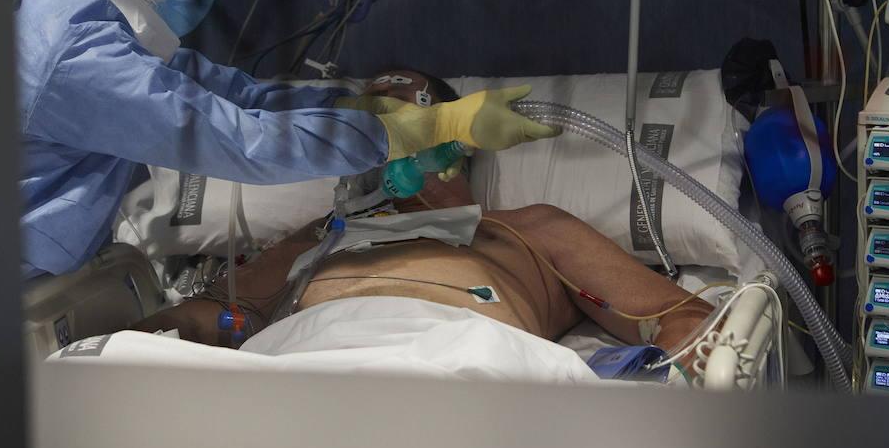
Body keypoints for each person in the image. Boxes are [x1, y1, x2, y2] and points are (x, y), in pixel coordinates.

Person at [12, 0, 559, 278]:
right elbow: (239, 139)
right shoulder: (74, 55)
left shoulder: (96, 30)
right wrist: (426, 127)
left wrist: (353, 105)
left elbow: (238, 96)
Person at [129, 69, 715, 373]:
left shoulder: (530, 230)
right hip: (301, 365)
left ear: (459, 136)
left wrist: (673, 383)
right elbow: (222, 313)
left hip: (462, 365)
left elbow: (681, 319)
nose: (383, 123)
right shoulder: (325, 234)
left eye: (403, 111)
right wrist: (130, 343)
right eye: (370, 115)